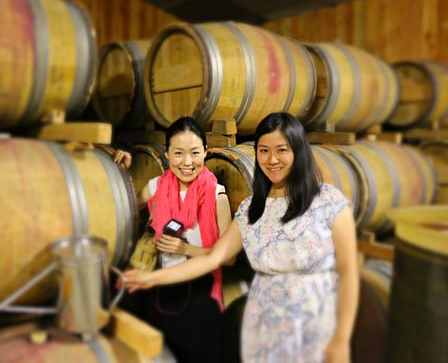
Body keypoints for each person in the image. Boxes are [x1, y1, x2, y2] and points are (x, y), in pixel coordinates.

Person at [122, 112, 359, 363]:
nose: (272, 159)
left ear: (298, 151)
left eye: (282, 150)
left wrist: (341, 339)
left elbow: (348, 272)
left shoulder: (327, 201)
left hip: (314, 324)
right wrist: (150, 278)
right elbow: (213, 258)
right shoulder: (251, 209)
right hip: (263, 326)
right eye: (264, 151)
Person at [114, 116, 232, 363]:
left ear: (205, 152)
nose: (187, 162)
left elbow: (228, 258)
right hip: (160, 293)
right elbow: (121, 206)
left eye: (195, 153)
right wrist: (120, 170)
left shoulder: (217, 194)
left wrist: (185, 248)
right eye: (178, 153)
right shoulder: (156, 186)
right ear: (167, 154)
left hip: (201, 298)